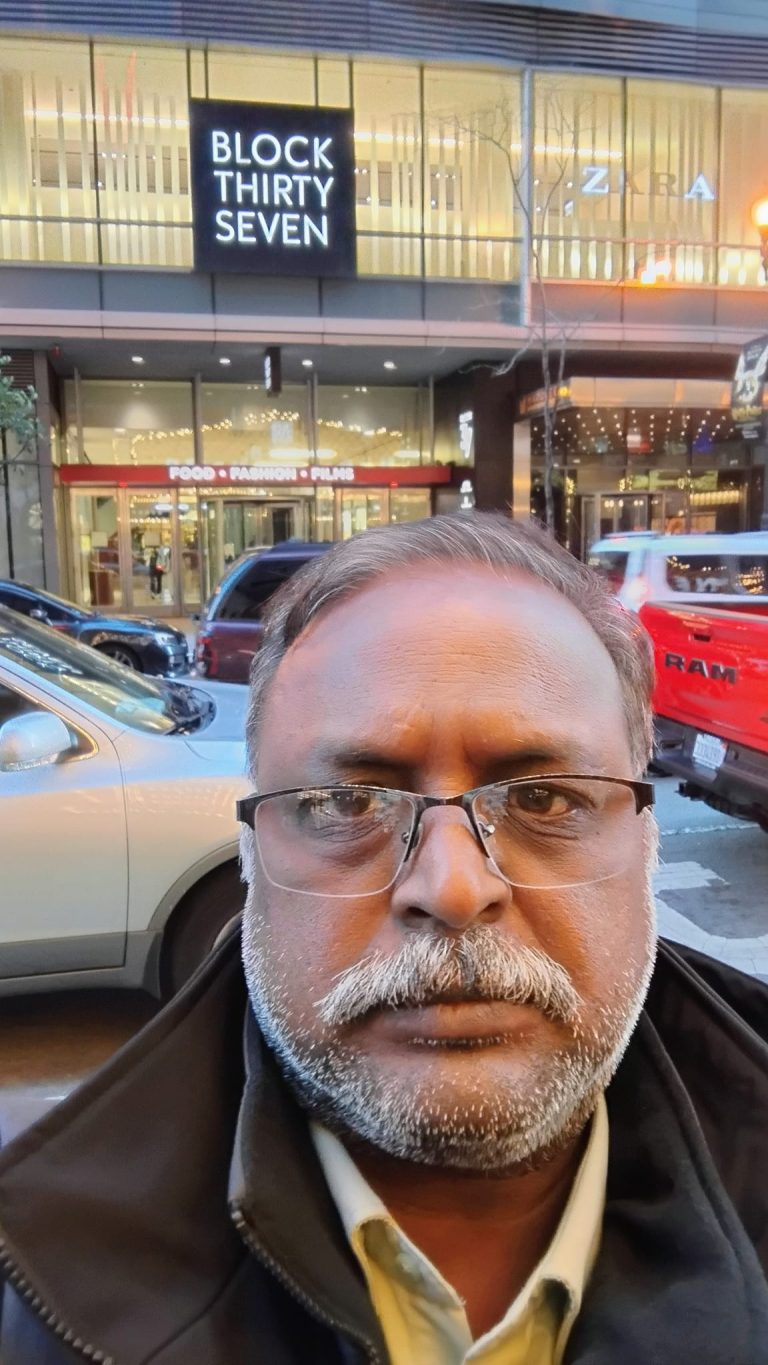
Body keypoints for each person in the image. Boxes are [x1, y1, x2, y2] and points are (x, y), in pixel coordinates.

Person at [1, 511, 767, 1365]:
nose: (452, 888)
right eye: (349, 803)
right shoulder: (32, 1277)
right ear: (251, 857)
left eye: (544, 798)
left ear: (644, 844)